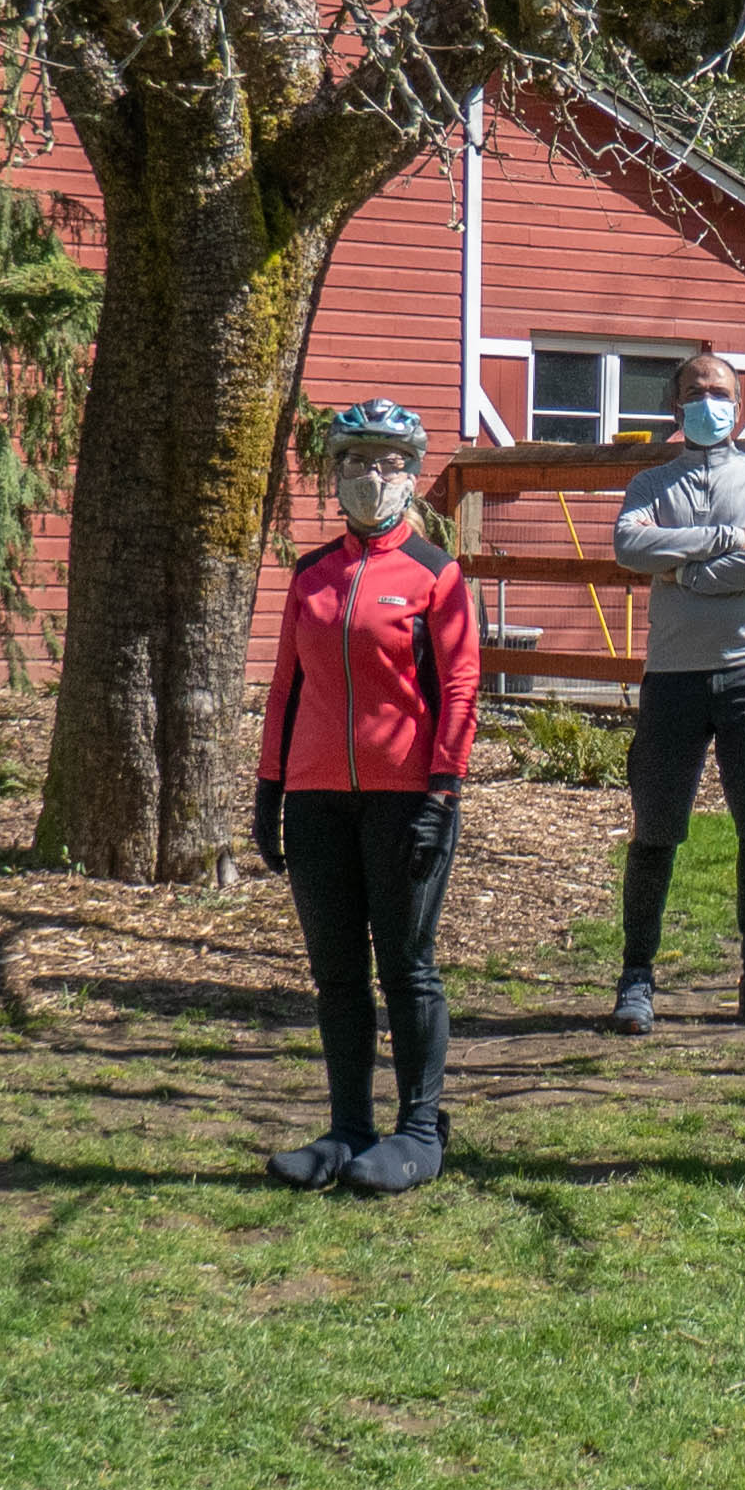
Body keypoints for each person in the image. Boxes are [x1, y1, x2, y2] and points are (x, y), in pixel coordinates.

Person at [250, 401, 478, 1196]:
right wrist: (268, 788)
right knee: (336, 973)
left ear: (411, 476)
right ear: (335, 473)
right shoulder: (312, 575)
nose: (370, 478)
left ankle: (420, 1129)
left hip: (406, 799)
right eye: (355, 462)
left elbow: (460, 688)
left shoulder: (434, 573)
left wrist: (442, 791)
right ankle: (349, 1126)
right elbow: (285, 686)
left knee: (407, 968)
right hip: (317, 801)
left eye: (386, 464)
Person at [607, 354, 745, 1032]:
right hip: (673, 677)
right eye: (694, 392)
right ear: (674, 406)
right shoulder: (650, 481)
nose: (707, 401)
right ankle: (637, 976)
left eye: (719, 391)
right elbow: (630, 547)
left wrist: (689, 574)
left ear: (739, 404)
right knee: (655, 831)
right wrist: (723, 540)